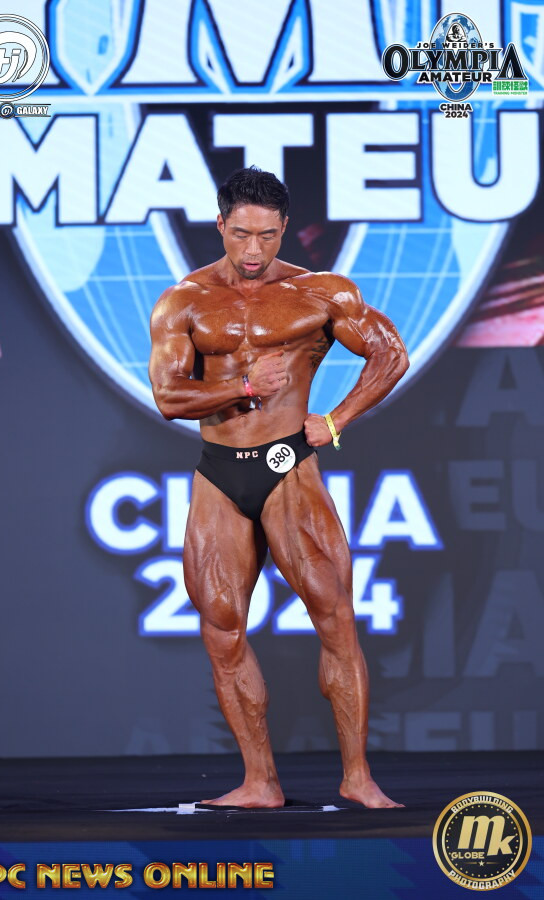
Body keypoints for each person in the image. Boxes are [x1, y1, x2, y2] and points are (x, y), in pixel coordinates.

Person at [149, 166, 409, 809]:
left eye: (267, 235)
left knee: (334, 618)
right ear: (220, 224)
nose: (254, 249)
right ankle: (259, 782)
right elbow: (169, 398)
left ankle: (357, 777)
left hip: (287, 465)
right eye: (242, 234)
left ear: (285, 228)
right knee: (221, 628)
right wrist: (242, 387)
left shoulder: (319, 292)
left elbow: (391, 354)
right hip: (219, 472)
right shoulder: (184, 301)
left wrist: (336, 420)